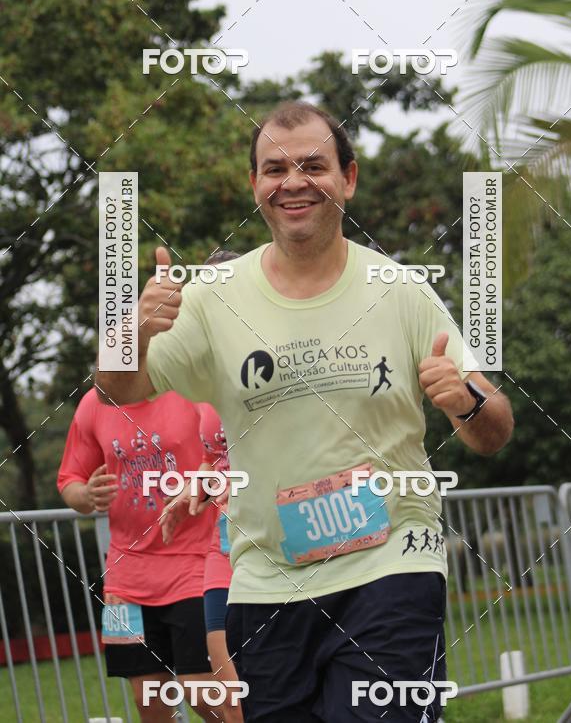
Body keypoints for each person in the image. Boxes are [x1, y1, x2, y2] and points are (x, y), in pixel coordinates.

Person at [95, 100, 514, 722]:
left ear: (348, 178)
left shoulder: (399, 289)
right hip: (266, 584)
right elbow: (116, 389)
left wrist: (468, 402)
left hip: (391, 563)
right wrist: (131, 329)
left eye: (312, 165)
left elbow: (493, 428)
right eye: (273, 169)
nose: (292, 182)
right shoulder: (212, 298)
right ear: (255, 186)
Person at [57, 388, 224, 723]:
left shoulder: (193, 388)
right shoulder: (95, 402)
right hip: (125, 578)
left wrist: (202, 487)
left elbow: (229, 463)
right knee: (148, 700)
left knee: (202, 692)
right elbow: (68, 481)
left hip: (196, 564)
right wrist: (87, 495)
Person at [163, 399, 244, 723]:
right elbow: (213, 459)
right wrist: (193, 489)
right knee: (233, 700)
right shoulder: (204, 387)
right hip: (224, 547)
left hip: (282, 551)